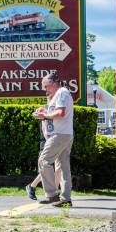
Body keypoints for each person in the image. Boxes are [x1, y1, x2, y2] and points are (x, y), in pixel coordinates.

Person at [33, 71, 74, 208]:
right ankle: (66, 199)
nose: (44, 89)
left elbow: (60, 113)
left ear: (53, 83)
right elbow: (57, 112)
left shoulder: (61, 92)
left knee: (43, 160)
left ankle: (51, 194)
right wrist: (45, 112)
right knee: (63, 167)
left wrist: (44, 116)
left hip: (59, 134)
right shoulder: (60, 93)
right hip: (66, 134)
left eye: (46, 86)